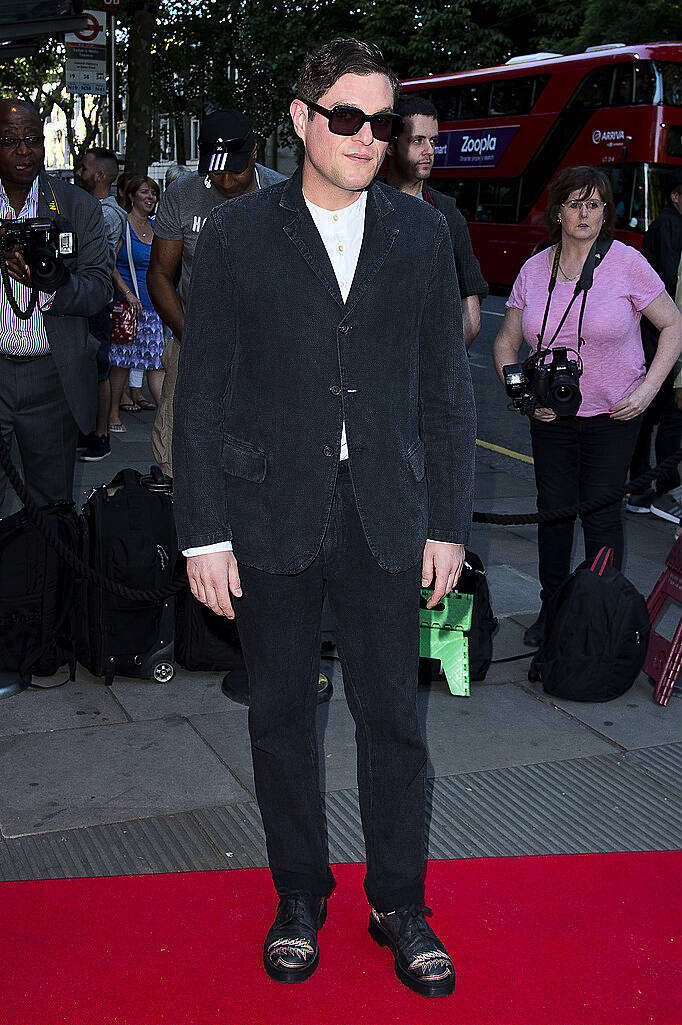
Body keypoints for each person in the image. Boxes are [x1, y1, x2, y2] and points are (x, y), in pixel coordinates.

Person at [173, 37, 476, 996]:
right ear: (302, 120)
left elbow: (447, 395)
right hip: (269, 510)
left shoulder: (423, 235)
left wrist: (450, 524)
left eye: (380, 122)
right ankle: (298, 892)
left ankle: (400, 901)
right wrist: (202, 530)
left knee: (395, 716)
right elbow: (204, 394)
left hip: (388, 508)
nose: (365, 137)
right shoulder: (233, 238)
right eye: (345, 117)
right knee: (279, 716)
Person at [493, 165, 681, 647]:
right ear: (557, 211)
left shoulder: (627, 263)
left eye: (594, 204)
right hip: (550, 418)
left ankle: (602, 616)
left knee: (601, 516)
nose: (584, 213)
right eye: (574, 203)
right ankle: (552, 611)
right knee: (553, 514)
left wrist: (645, 392)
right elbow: (506, 343)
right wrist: (523, 397)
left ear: (605, 214)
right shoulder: (534, 269)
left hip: (614, 417)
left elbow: (674, 327)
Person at [147, 109, 286, 478]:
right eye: (215, 169)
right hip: (193, 335)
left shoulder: (282, 195)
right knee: (179, 441)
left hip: (265, 344)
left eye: (234, 169)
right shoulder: (183, 194)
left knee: (266, 442)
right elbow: (160, 274)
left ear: (255, 151)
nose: (224, 179)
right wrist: (191, 337)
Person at [0, 98, 112, 512]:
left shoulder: (76, 206)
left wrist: (51, 284)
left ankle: (47, 581)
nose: (23, 150)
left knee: (51, 514)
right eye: (10, 140)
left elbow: (100, 289)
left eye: (32, 139)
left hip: (52, 378)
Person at [385, 94, 488, 348]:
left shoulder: (447, 213)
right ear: (390, 145)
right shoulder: (363, 206)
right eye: (418, 141)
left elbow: (471, 316)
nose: (429, 151)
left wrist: (438, 366)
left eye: (433, 141)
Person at [626, 168, 682, 522]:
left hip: (654, 336)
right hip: (659, 338)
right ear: (676, 197)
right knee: (659, 419)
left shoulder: (665, 224)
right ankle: (650, 487)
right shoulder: (670, 227)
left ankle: (644, 485)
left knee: (652, 420)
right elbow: (671, 289)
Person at [75, 146, 126, 461]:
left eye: (83, 168)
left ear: (100, 175)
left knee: (100, 370)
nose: (78, 173)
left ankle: (101, 434)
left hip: (97, 302)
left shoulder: (105, 213)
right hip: (87, 301)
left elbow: (99, 261)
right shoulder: (94, 208)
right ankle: (90, 431)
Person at [108, 175, 165, 432]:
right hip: (127, 309)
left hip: (153, 308)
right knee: (121, 363)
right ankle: (111, 415)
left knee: (156, 362)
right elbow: (109, 263)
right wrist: (128, 294)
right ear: (131, 197)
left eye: (153, 193)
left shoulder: (157, 227)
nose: (150, 197)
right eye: (145, 192)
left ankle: (166, 419)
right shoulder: (123, 226)